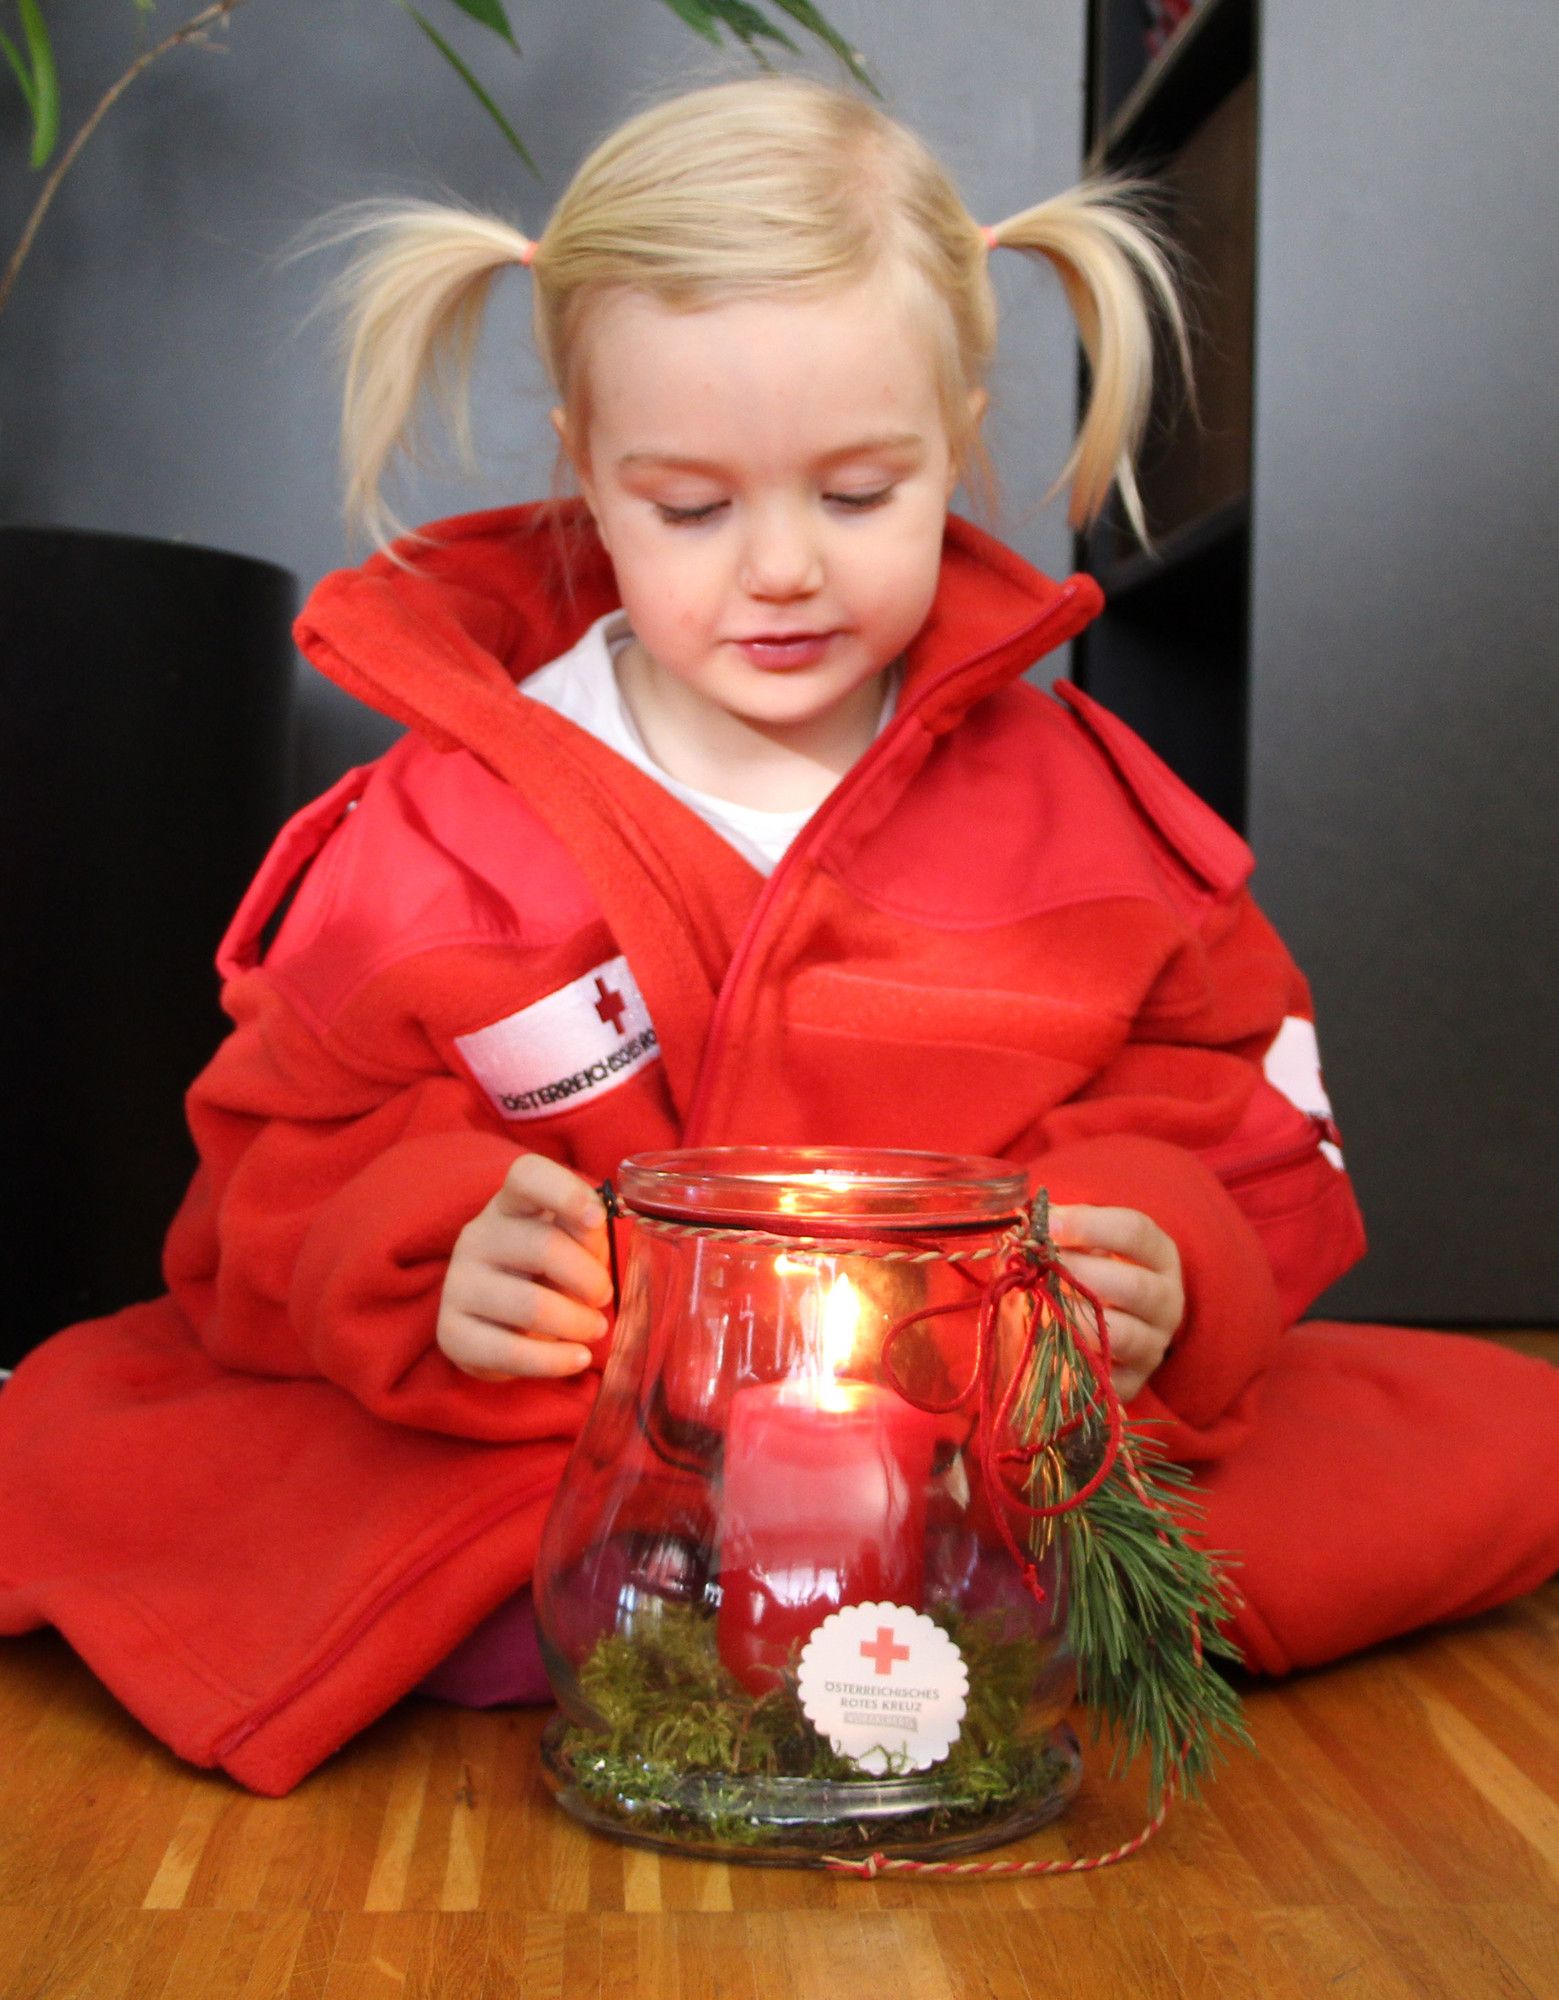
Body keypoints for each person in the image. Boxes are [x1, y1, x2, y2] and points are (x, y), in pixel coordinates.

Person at [1, 78, 1554, 1798]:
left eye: (860, 492)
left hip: (968, 1452)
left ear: (956, 439)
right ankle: (717, 1612)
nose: (783, 570)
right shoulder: (442, 826)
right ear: (589, 471)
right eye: (692, 508)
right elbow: (274, 1161)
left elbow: (1232, 1102)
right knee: (119, 1465)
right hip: (562, 1447)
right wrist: (430, 1259)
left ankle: (845, 1605)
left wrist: (1160, 1263)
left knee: (1426, 1464)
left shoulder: (1083, 812)